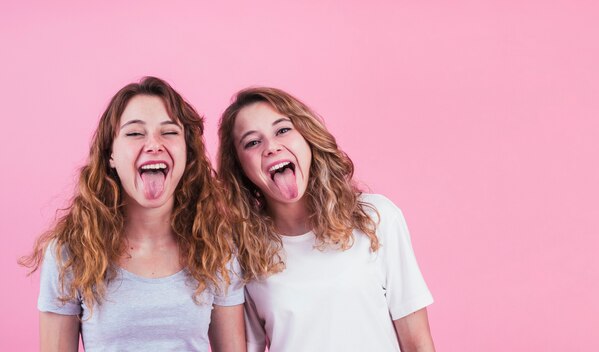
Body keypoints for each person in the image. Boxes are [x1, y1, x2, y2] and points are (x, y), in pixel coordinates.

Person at [21, 77, 245, 352]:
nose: (154, 144)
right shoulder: (71, 251)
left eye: (169, 132)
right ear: (111, 155)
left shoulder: (217, 248)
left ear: (188, 152)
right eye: (135, 133)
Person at [217, 87, 435, 352]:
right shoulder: (242, 250)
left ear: (307, 138)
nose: (271, 147)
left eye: (283, 130)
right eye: (252, 142)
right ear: (240, 168)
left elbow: (417, 342)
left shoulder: (376, 218)